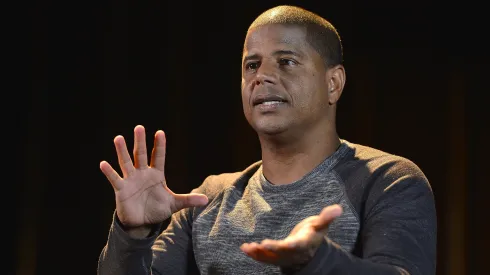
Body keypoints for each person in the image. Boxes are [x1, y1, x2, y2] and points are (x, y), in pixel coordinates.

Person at [97, 5, 437, 275]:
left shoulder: (389, 180)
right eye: (251, 65)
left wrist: (316, 261)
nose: (262, 77)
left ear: (333, 83)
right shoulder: (210, 198)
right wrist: (133, 235)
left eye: (286, 62)